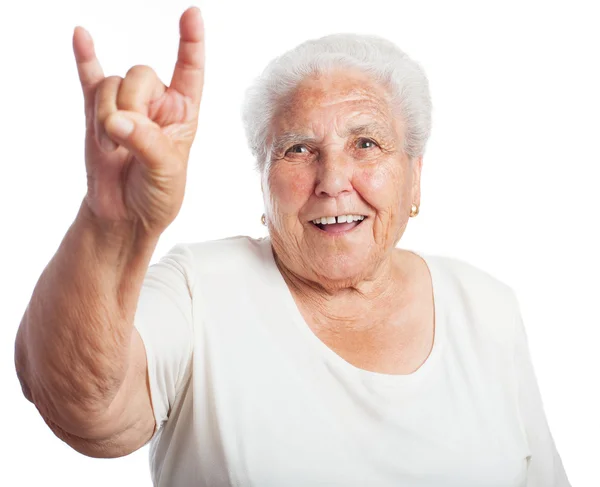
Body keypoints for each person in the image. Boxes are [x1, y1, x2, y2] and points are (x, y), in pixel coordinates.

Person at [14, 6, 570, 487]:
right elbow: (83, 409)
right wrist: (110, 224)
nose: (332, 179)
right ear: (262, 181)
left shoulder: (487, 306)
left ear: (415, 177)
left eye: (366, 143)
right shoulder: (200, 288)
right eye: (299, 149)